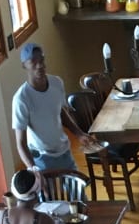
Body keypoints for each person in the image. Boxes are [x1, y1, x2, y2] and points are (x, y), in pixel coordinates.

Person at [11, 42, 96, 176]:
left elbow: (61, 112)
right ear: (24, 65)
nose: (39, 65)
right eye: (33, 62)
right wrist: (34, 170)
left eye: (41, 60)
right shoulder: (22, 98)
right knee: (51, 190)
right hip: (42, 159)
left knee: (77, 187)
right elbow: (20, 143)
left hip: (64, 152)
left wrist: (79, 134)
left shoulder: (56, 83)